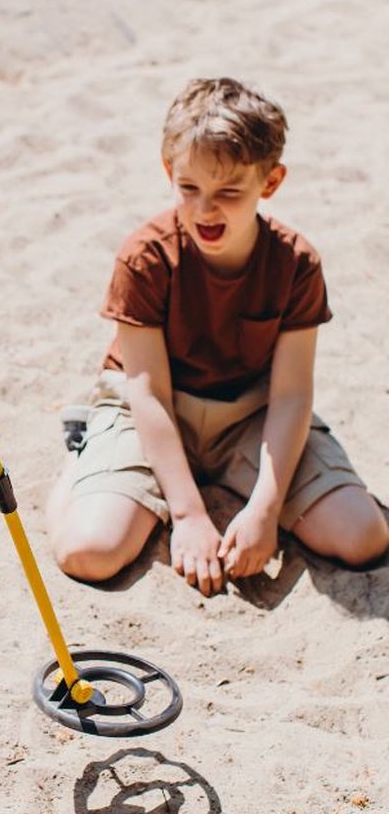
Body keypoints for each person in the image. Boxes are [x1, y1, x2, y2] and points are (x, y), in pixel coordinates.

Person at [47, 77, 387, 596]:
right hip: (150, 411)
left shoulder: (296, 263)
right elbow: (148, 391)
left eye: (228, 192)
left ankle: (223, 480)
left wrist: (265, 511)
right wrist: (187, 515)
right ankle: (82, 451)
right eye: (189, 189)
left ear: (269, 183)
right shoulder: (145, 257)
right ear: (169, 173)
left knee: (364, 538)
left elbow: (292, 393)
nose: (206, 210)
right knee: (88, 553)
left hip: (251, 414)